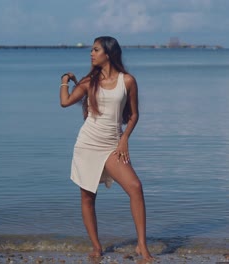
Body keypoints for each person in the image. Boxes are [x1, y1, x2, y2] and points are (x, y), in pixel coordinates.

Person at [59, 36, 153, 261]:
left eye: (95, 50)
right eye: (91, 50)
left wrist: (124, 140)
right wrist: (65, 80)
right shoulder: (89, 82)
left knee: (135, 187)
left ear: (108, 53)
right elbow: (65, 102)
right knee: (88, 197)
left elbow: (134, 115)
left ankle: (141, 245)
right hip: (87, 144)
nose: (91, 53)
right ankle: (96, 247)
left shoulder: (127, 81)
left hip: (113, 145)